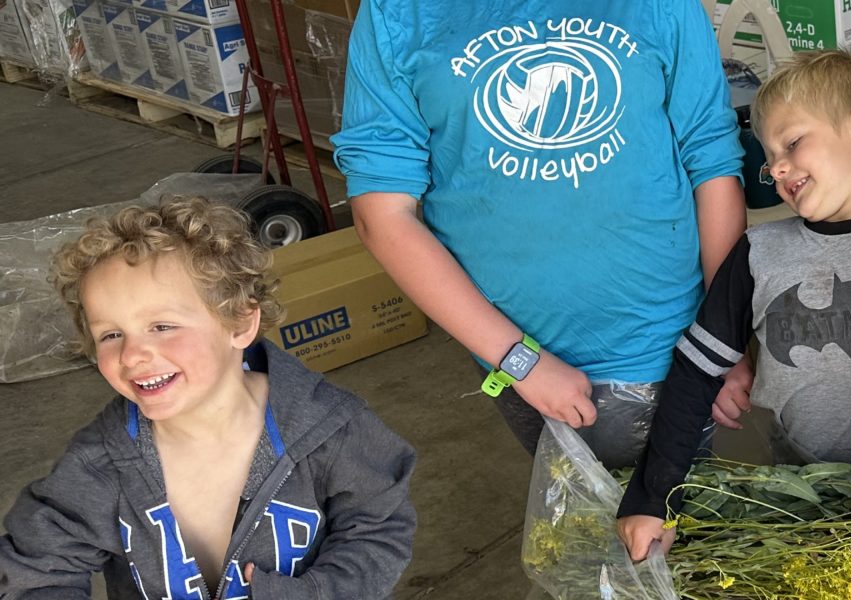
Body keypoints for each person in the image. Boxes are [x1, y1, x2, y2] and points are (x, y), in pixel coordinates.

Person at [333, 0, 752, 464]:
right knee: (575, 506)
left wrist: (723, 339)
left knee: (686, 503)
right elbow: (382, 215)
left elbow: (712, 160)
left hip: (673, 340)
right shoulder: (398, 11)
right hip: (514, 348)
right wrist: (520, 360)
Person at [0, 199, 417, 597]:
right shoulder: (98, 466)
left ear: (239, 324)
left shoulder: (328, 428)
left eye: (162, 326)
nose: (131, 355)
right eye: (111, 334)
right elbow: (35, 569)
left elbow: (378, 527)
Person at [615, 49, 851, 560]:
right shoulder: (760, 253)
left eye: (792, 143)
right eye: (769, 155)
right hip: (795, 492)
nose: (775, 168)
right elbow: (694, 374)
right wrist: (654, 496)